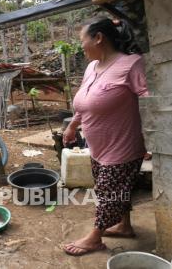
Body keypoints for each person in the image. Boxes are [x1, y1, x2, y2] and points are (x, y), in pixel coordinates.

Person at [62, 17, 148, 256]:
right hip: (98, 146)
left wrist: (152, 138)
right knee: (117, 188)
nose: (80, 45)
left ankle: (95, 238)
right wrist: (72, 127)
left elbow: (149, 100)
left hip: (124, 145)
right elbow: (83, 103)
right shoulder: (92, 67)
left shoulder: (131, 64)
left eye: (82, 40)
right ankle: (125, 226)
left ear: (98, 38)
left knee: (109, 192)